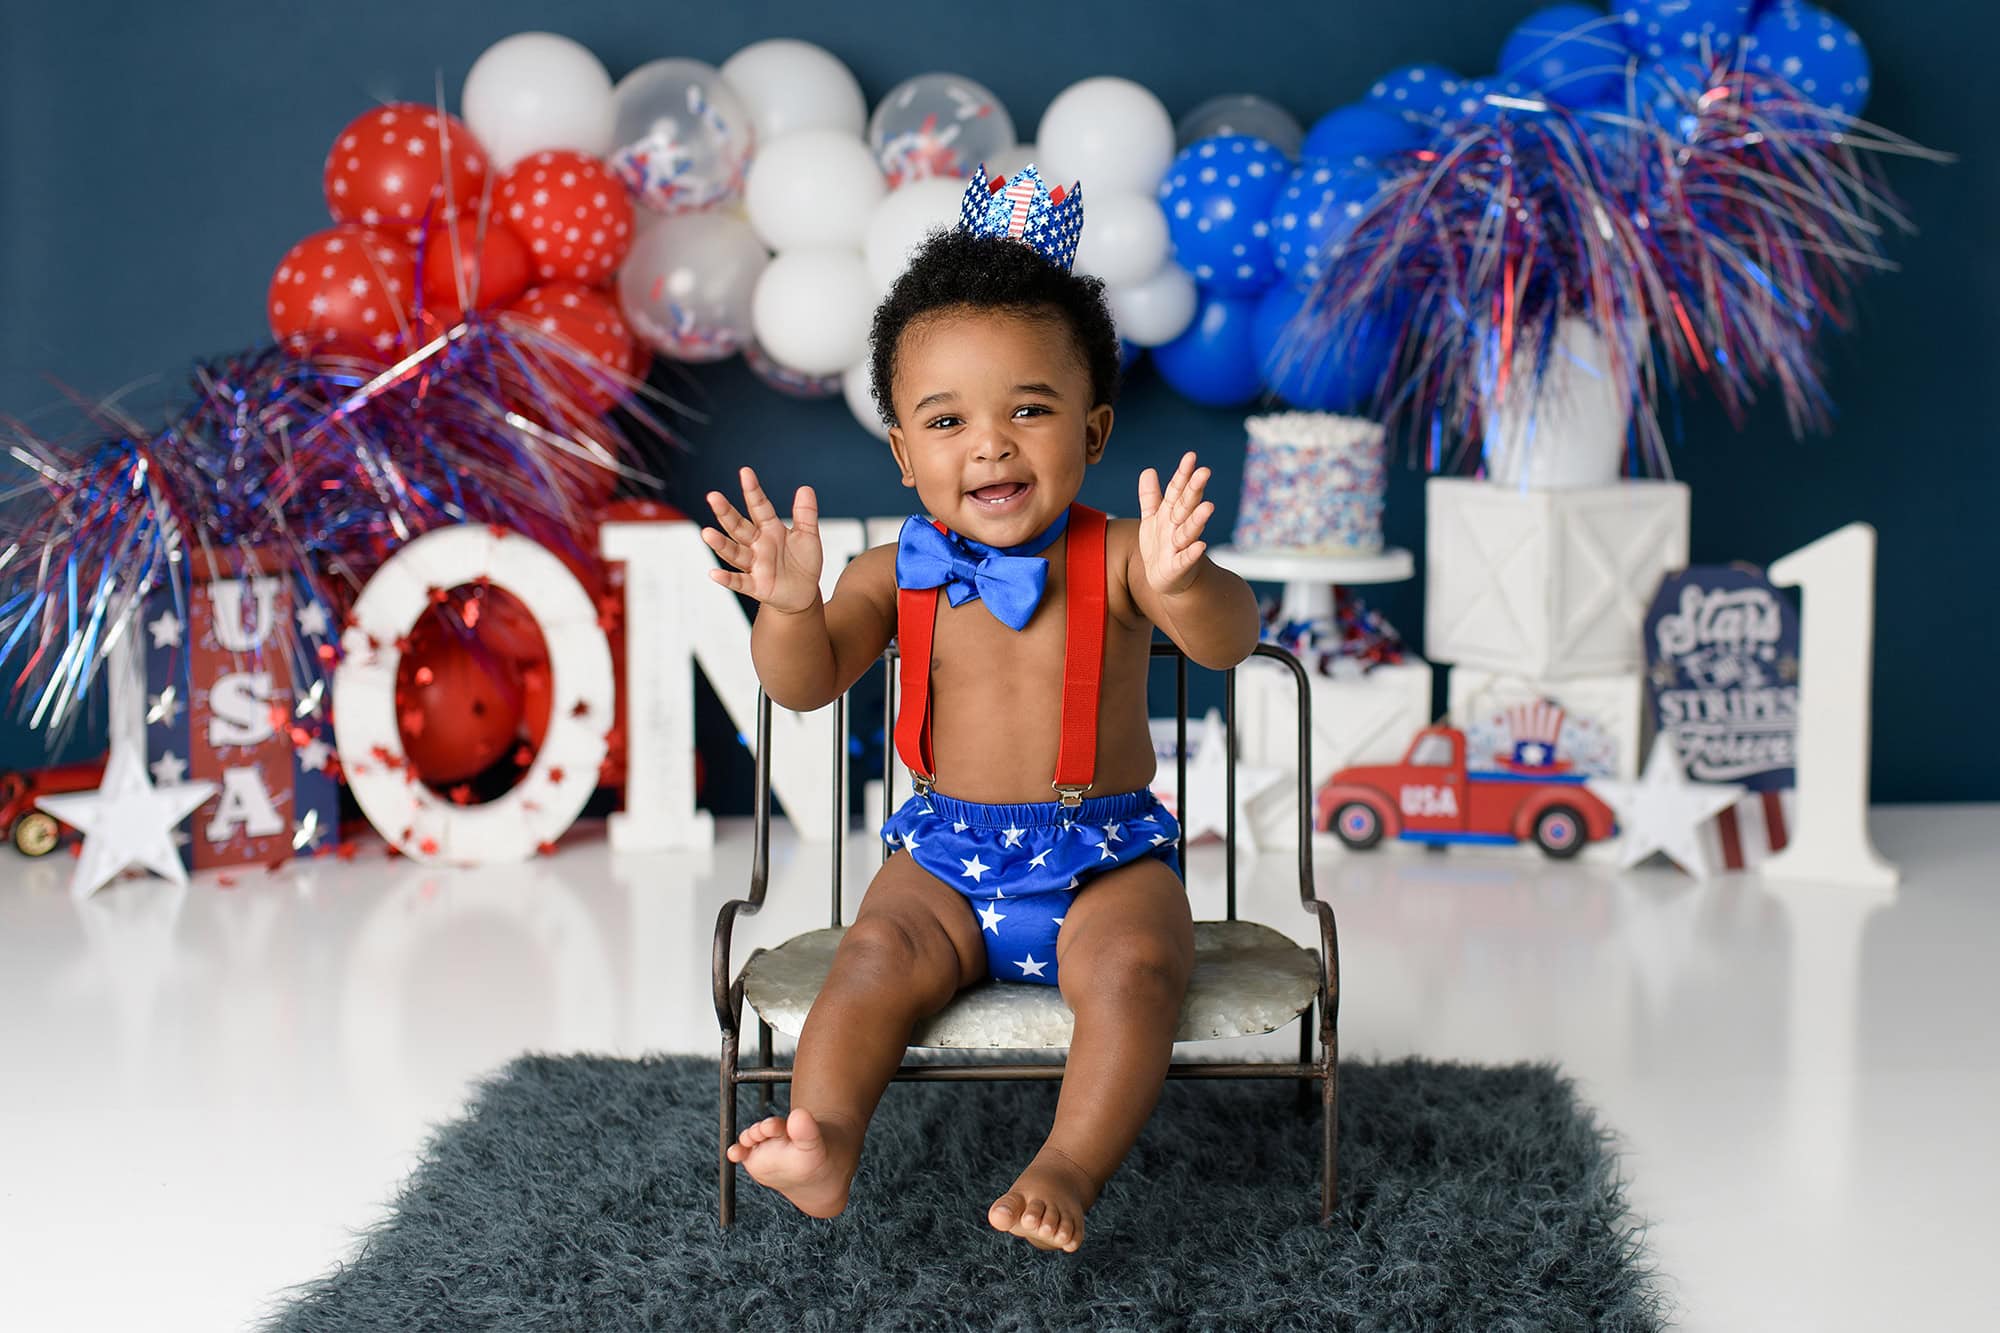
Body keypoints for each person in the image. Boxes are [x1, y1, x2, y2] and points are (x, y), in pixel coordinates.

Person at [703, 164, 1260, 1253]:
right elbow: (804, 682)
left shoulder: (1116, 557)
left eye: (1029, 409)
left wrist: (1185, 580)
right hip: (946, 855)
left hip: (1102, 856)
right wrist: (786, 607)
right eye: (947, 419)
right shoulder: (887, 572)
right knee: (872, 955)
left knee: (1138, 968)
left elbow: (1225, 641)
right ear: (905, 451)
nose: (990, 443)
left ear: (1093, 432)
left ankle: (1067, 1160)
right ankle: (823, 1140)